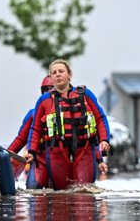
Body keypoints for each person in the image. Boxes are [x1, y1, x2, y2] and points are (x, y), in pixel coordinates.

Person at [25, 59, 110, 190]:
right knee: (61, 197)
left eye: (61, 71)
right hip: (56, 153)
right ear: (51, 78)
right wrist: (31, 151)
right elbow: (35, 129)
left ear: (69, 75)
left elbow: (100, 118)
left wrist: (104, 140)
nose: (58, 74)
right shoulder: (43, 101)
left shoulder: (86, 95)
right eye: (54, 73)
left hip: (84, 151)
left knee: (83, 194)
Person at [8, 76, 54, 188]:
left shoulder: (68, 111)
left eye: (51, 89)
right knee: (33, 190)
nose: (48, 93)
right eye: (45, 90)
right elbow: (20, 139)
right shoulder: (33, 114)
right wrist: (5, 155)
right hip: (39, 160)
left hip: (61, 161)